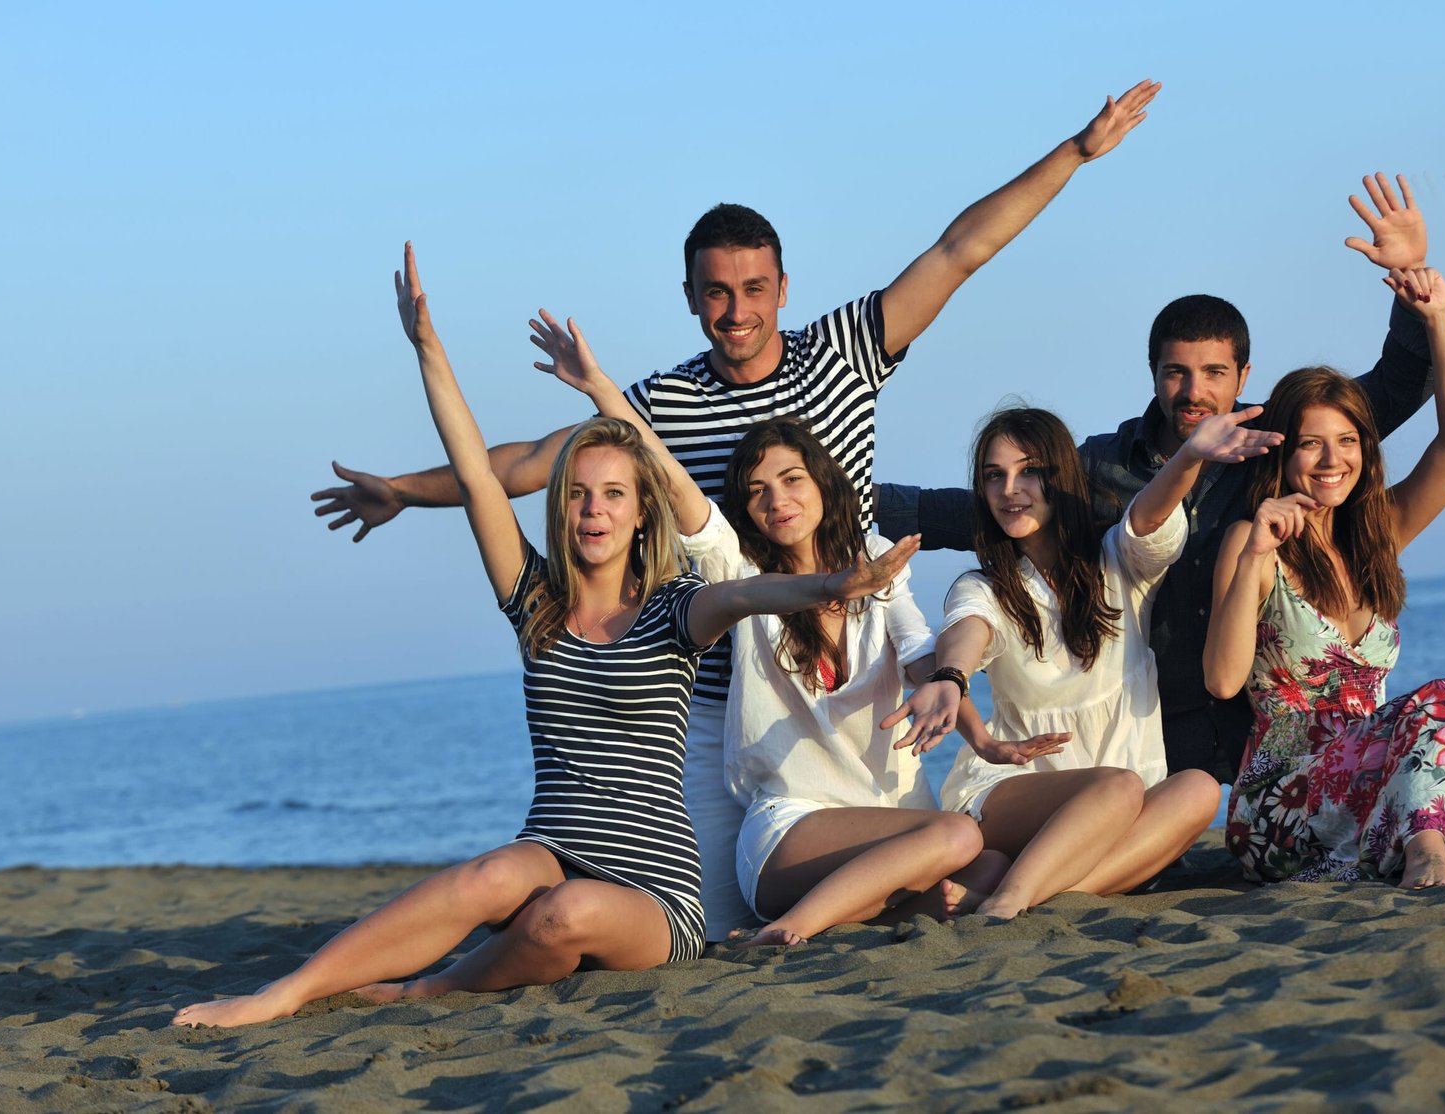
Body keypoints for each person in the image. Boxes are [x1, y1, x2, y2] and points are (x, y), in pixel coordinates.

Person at [310, 81, 1163, 938]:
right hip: (728, 699)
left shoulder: (844, 353)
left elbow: (958, 251)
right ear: (690, 296)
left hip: (858, 680)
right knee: (704, 928)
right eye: (716, 292)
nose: (736, 311)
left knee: (935, 870)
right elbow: (529, 465)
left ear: (783, 287)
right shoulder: (665, 402)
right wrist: (402, 490)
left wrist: (1079, 151)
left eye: (754, 288)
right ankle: (517, 920)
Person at [172, 246, 917, 1028]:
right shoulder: (534, 603)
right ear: (562, 509)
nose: (595, 510)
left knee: (560, 918)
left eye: (614, 496)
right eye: (580, 496)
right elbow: (473, 474)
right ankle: (282, 994)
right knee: (486, 880)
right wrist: (429, 350)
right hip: (552, 843)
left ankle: (434, 988)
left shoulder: (676, 608)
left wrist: (832, 585)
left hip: (653, 894)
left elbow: (750, 591)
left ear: (639, 513)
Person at [875, 173, 1437, 784]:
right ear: (1152, 372)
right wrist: (841, 494)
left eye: (1215, 372)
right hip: (1158, 726)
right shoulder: (1100, 465)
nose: (1195, 392)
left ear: (1243, 373)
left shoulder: (1281, 442)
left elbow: (1396, 389)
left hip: (1263, 721)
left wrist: (1411, 281)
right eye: (1176, 372)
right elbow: (978, 509)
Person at [531, 312, 1002, 946]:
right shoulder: (739, 568)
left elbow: (920, 650)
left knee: (992, 868)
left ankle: (873, 909)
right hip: (793, 831)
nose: (776, 500)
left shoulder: (872, 553)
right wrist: (599, 388)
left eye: (790, 480)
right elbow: (664, 471)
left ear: (823, 484)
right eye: (756, 491)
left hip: (895, 821)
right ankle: (790, 927)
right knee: (959, 838)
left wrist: (965, 713)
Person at [1204, 266, 1445, 888]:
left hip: (1376, 779)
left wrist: (1439, 320)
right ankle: (1429, 849)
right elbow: (1223, 681)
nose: (1333, 461)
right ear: (1282, 452)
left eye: (1348, 440)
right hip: (1284, 801)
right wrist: (1253, 555)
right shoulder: (1253, 546)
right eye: (1311, 444)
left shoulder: (1376, 536)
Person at [884, 404, 1275, 918]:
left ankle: (1033, 895)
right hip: (1014, 794)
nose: (1009, 489)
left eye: (1029, 472)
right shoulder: (983, 588)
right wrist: (952, 677)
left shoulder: (1117, 561)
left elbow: (1149, 515)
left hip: (1124, 803)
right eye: (994, 476)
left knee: (1199, 789)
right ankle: (1013, 899)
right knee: (1116, 787)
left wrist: (1188, 457)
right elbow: (966, 632)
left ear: (1061, 475)